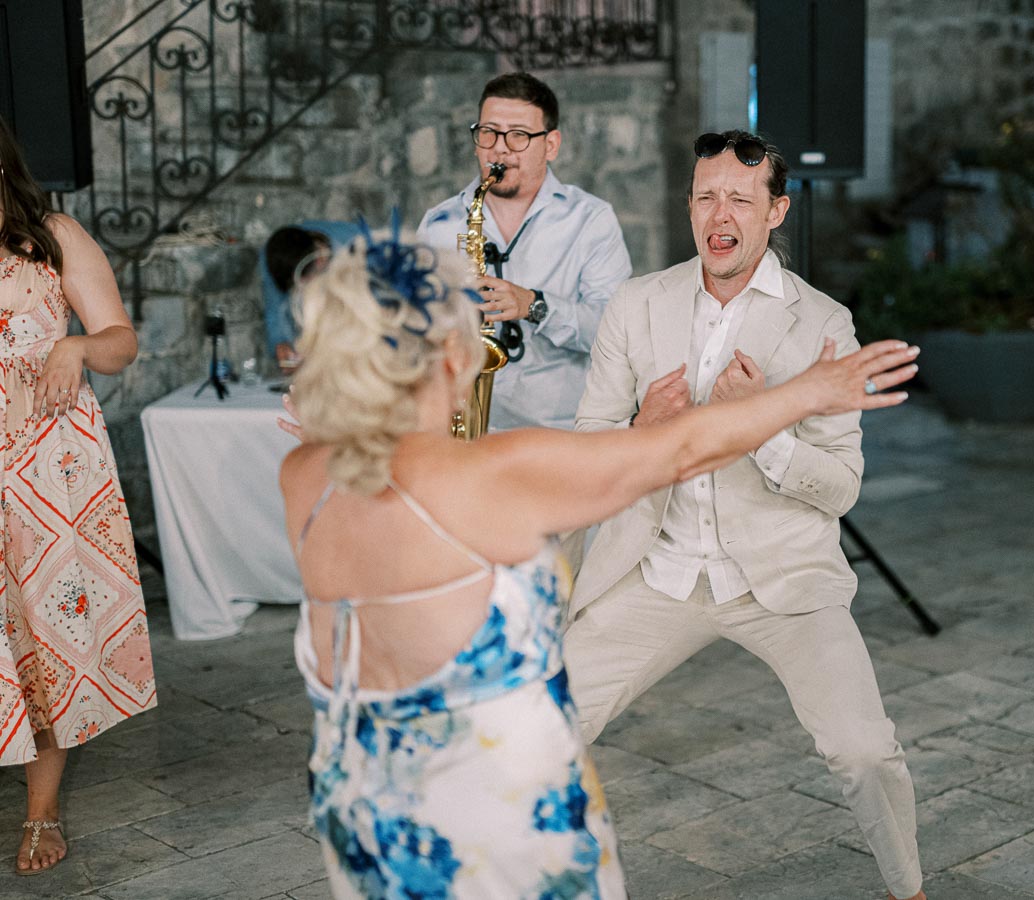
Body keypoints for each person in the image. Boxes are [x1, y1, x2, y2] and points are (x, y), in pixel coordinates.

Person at [277, 224, 916, 897]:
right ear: (443, 357)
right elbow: (680, 451)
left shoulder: (304, 476)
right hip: (498, 835)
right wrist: (811, 391)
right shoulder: (491, 476)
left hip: (368, 822)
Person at [563, 129, 927, 900]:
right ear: (689, 208)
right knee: (537, 732)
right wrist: (641, 433)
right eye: (704, 195)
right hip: (654, 572)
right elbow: (587, 445)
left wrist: (758, 428)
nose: (717, 211)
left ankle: (911, 891)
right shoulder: (638, 304)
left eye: (739, 196)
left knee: (865, 753)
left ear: (775, 211)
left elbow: (841, 487)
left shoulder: (824, 323)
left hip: (782, 580)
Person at [0, 116, 155, 874]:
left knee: (42, 637)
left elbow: (120, 341)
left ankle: (40, 811)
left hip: (47, 471)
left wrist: (76, 344)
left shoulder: (54, 234)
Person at [417, 71, 632, 431]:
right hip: (460, 432)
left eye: (518, 135)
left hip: (559, 434)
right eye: (488, 133)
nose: (499, 149)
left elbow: (616, 335)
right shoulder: (439, 223)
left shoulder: (591, 220)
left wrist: (534, 306)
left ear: (551, 145)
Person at [261, 221, 359, 369]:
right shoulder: (272, 256)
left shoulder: (357, 245)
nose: (300, 293)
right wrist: (281, 344)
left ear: (320, 261)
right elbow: (275, 308)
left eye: (303, 283)